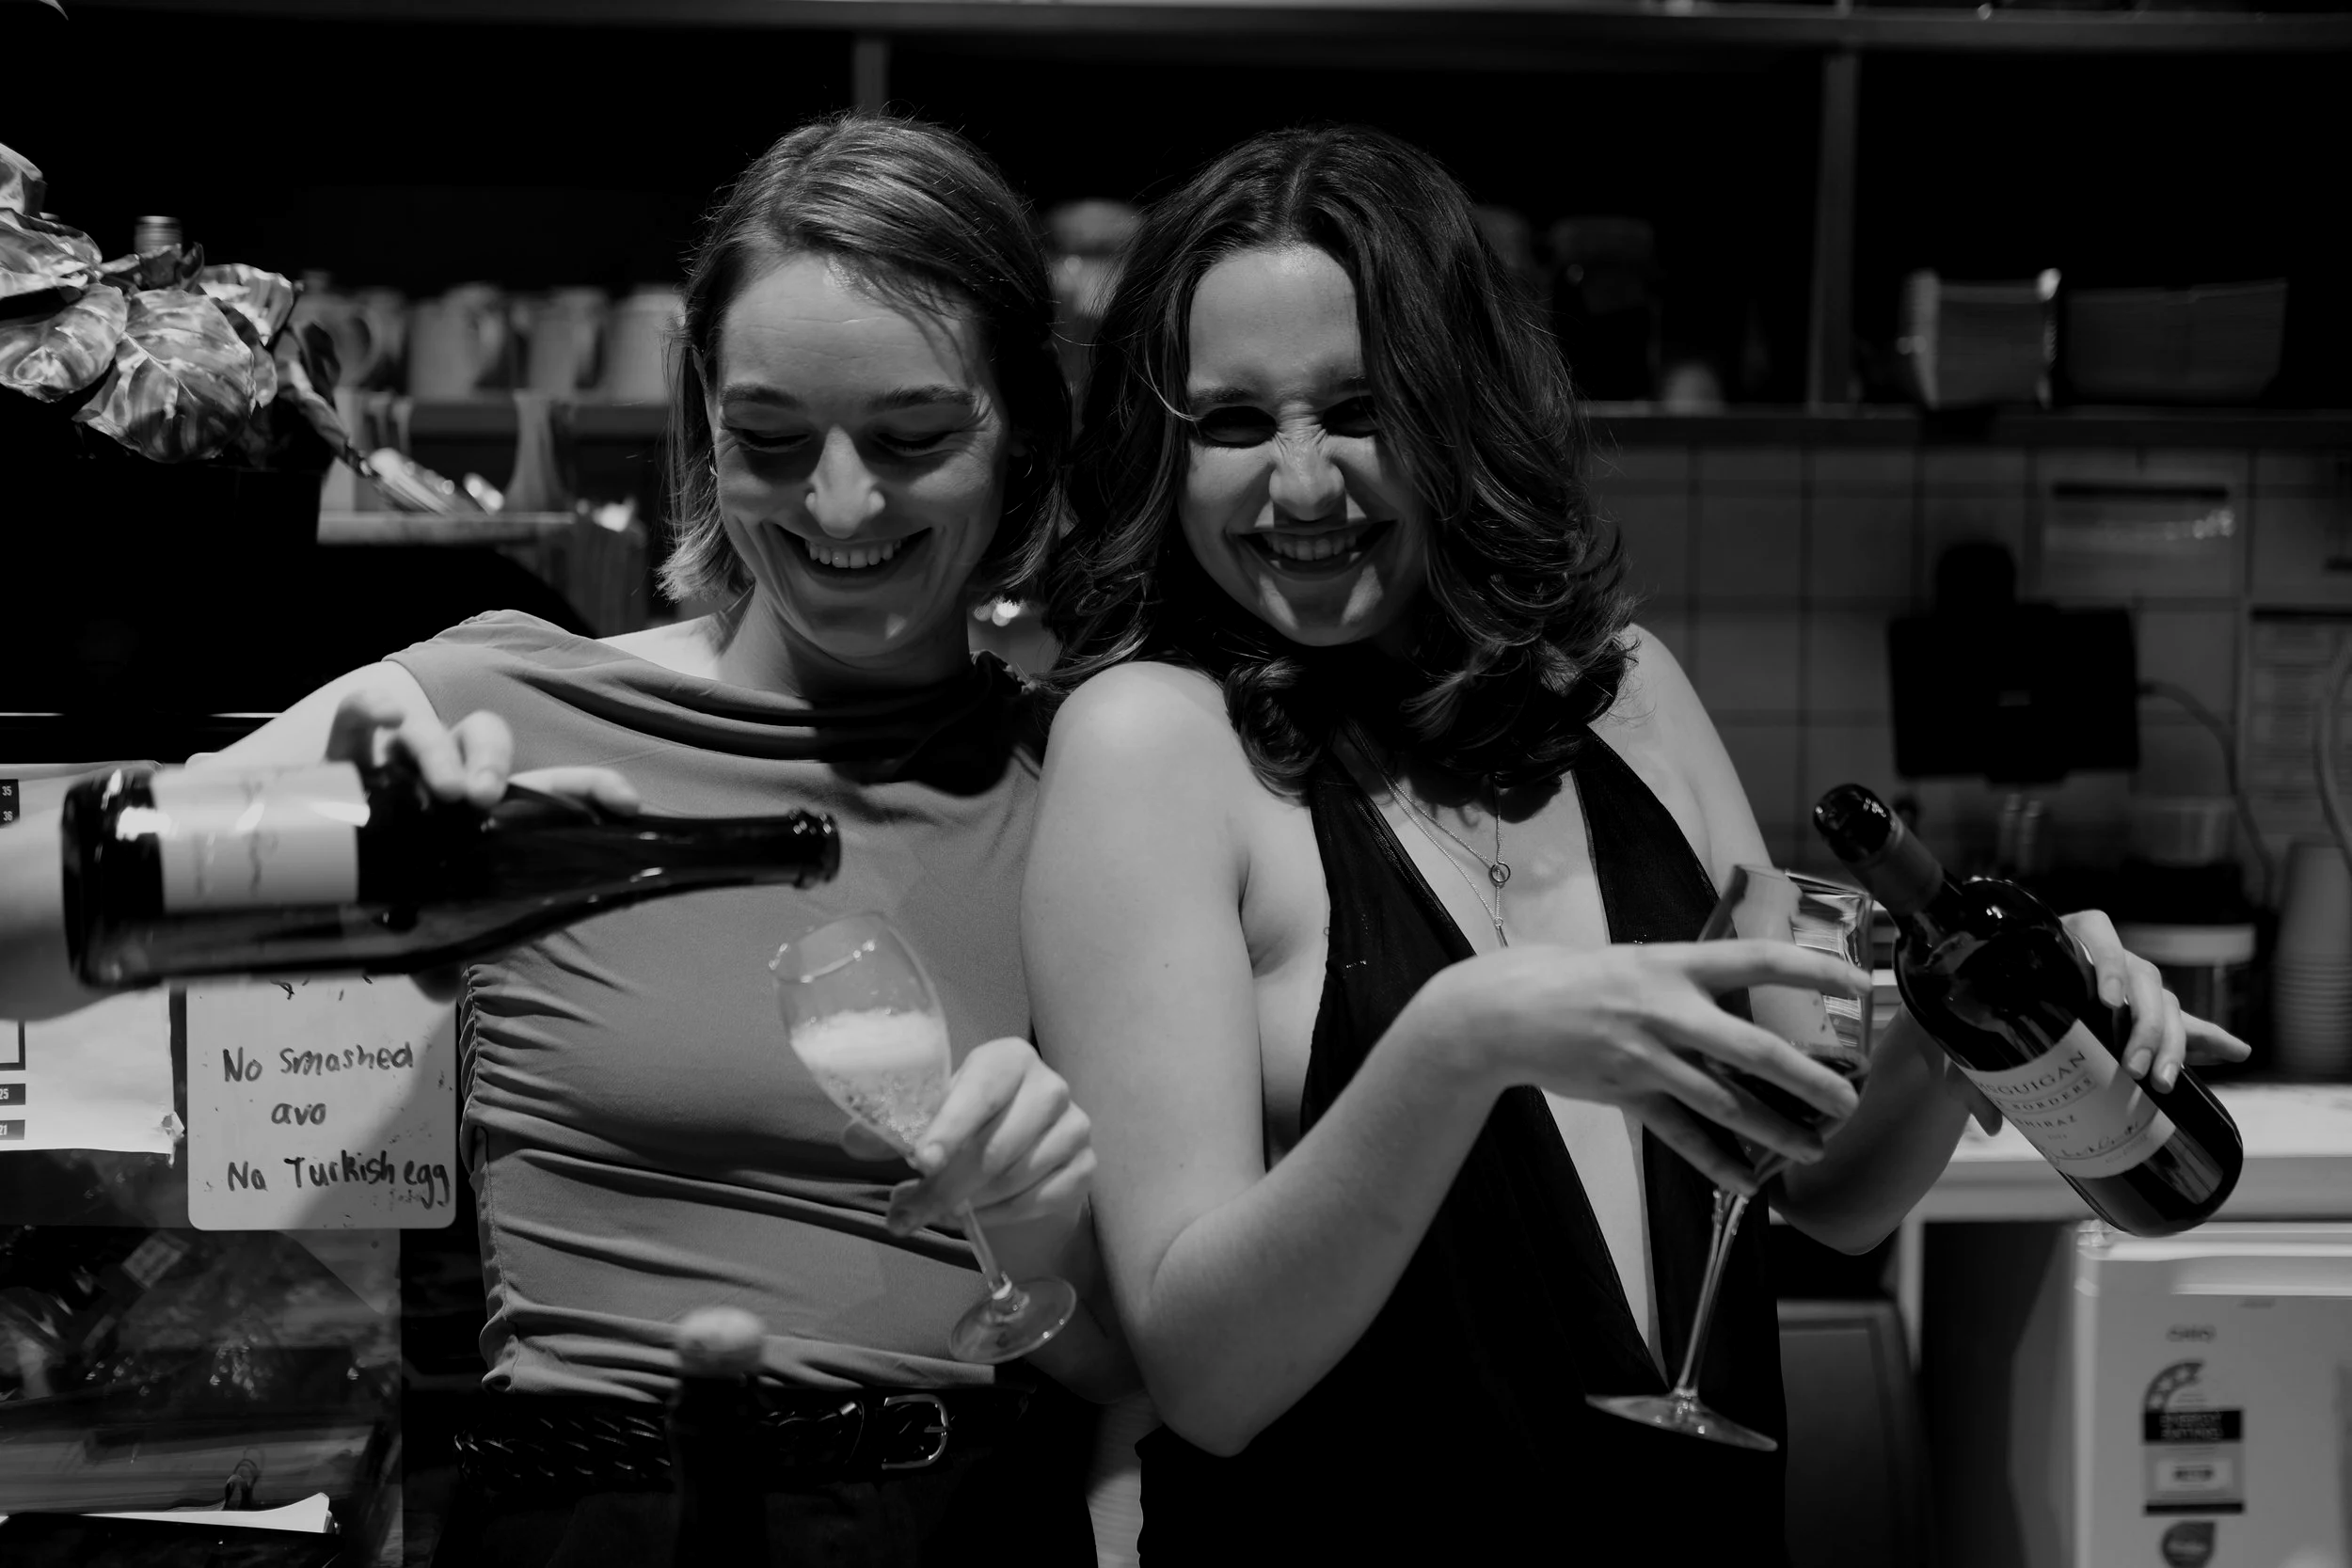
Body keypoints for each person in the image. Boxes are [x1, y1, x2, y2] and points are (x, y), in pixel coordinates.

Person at [1022, 125, 2249, 1563]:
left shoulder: (1628, 693)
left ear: (1462, 411)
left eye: (1361, 409)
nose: (1300, 485)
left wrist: (1964, 1030)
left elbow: (1826, 1189)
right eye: (1233, 423)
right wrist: (1462, 1037)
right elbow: (1205, 1377)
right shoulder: (1152, 744)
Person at [1, 114, 1124, 1566]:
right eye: (771, 440)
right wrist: (294, 846)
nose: (841, 503)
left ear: (1024, 427)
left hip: (964, 1520)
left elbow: (1138, 1370)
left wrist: (1042, 1238)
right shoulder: (504, 706)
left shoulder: (1085, 778)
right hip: (594, 1518)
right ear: (704, 427)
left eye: (914, 439)